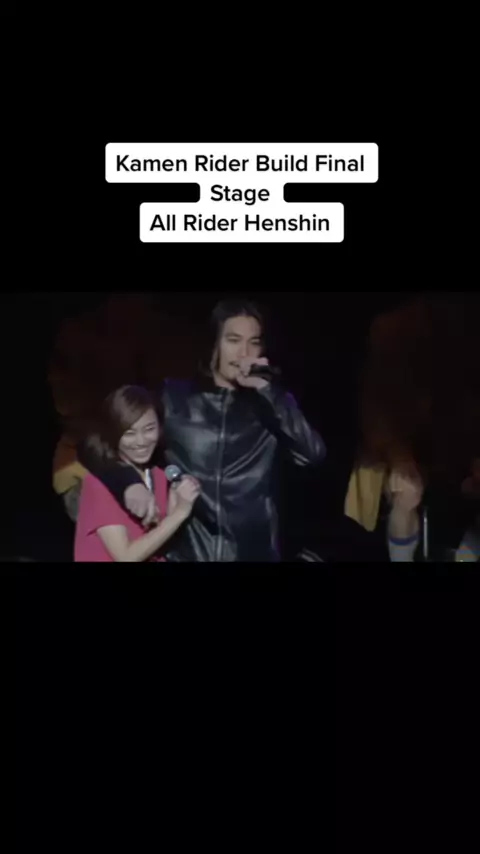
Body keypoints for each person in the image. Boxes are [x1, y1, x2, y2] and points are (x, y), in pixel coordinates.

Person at [78, 299, 326, 562]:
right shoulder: (174, 400)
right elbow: (97, 444)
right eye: (233, 340)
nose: (244, 353)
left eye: (253, 343)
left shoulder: (272, 405)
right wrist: (128, 482)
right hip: (187, 555)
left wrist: (267, 391)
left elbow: (313, 455)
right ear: (214, 344)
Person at [74, 386, 200, 562]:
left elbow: (158, 539)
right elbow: (126, 556)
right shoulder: (99, 482)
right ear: (112, 433)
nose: (141, 441)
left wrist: (176, 502)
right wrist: (179, 513)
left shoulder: (157, 474)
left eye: (149, 429)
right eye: (129, 433)